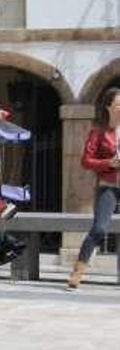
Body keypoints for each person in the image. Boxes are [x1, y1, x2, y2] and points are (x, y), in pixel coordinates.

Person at [67, 87, 120, 290]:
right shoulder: (98, 132)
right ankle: (78, 270)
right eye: (117, 104)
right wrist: (109, 163)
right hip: (108, 185)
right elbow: (86, 160)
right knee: (99, 229)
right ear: (108, 107)